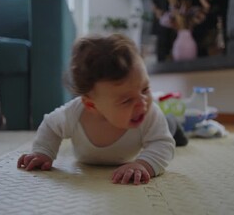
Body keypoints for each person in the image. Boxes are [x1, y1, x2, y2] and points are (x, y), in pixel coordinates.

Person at [17, 34, 185, 185]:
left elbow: (162, 143)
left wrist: (143, 164)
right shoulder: (74, 114)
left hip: (158, 126)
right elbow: (50, 126)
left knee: (168, 126)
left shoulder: (149, 112)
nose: (142, 103)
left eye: (145, 89)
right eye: (126, 100)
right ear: (91, 105)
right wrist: (43, 152)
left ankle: (176, 124)